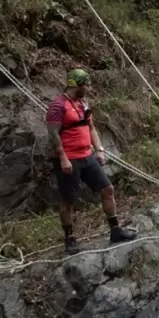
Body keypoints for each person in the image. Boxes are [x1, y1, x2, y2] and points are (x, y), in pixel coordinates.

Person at [46, 69, 133, 251]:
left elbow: (91, 127)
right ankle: (69, 239)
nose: (88, 88)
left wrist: (99, 149)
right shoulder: (58, 106)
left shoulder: (83, 104)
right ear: (75, 85)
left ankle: (115, 229)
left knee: (107, 189)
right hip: (69, 159)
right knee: (68, 199)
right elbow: (53, 134)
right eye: (85, 84)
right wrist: (63, 159)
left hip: (87, 156)